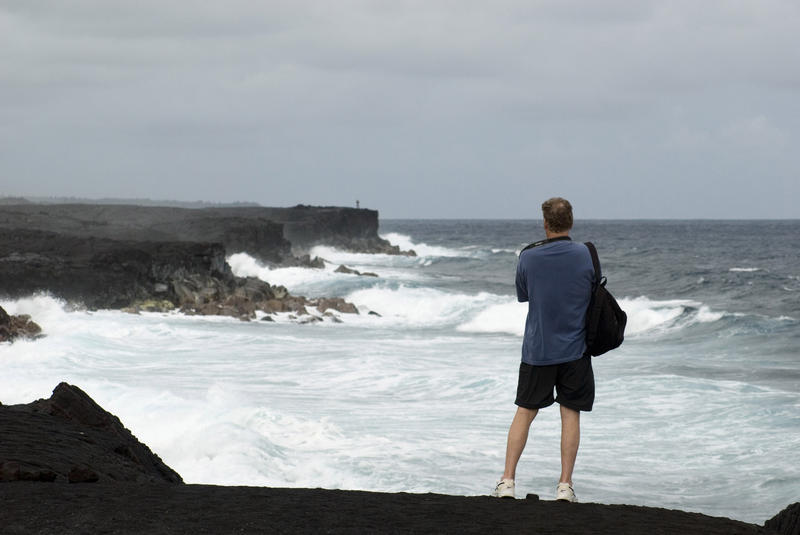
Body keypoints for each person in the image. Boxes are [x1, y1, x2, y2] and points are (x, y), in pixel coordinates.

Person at [492, 197, 595, 502]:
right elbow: (591, 289)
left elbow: (523, 295)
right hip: (575, 348)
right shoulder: (586, 255)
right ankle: (565, 486)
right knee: (571, 413)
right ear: (571, 222)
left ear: (545, 224)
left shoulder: (528, 257)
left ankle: (507, 481)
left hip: (538, 349)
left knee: (525, 412)